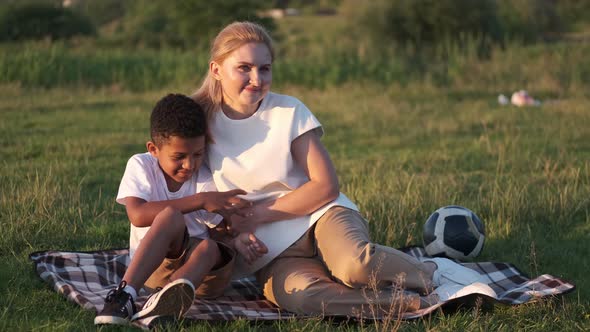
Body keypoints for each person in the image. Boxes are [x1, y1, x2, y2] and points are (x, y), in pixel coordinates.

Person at [193, 21, 497, 317]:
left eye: (265, 68)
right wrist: (234, 239)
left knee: (355, 266)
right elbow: (198, 201)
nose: (257, 79)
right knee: (304, 297)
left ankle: (433, 273)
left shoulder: (287, 111)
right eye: (244, 68)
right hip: (271, 252)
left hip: (321, 216)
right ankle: (411, 303)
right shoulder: (200, 126)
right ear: (216, 70)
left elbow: (325, 186)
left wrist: (257, 215)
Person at [94, 93, 268, 326]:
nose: (190, 165)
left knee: (209, 246)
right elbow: (137, 215)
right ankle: (125, 296)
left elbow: (218, 233)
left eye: (198, 154)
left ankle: (168, 300)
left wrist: (237, 241)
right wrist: (200, 200)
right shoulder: (141, 165)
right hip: (152, 268)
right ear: (154, 149)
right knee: (170, 217)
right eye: (179, 156)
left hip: (202, 277)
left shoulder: (205, 178)